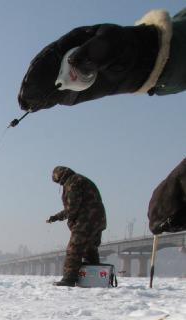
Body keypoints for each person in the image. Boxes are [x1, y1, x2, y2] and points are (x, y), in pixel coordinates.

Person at [18, 9, 186, 235]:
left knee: (77, 257)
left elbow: (74, 208)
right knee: (86, 257)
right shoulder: (77, 182)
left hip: (86, 227)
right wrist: (149, 53)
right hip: (91, 227)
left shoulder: (74, 185)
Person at [46, 166, 106, 287]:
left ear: (59, 176)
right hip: (98, 220)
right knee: (90, 249)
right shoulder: (81, 179)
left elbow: (72, 207)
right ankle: (95, 280)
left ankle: (68, 279)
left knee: (74, 249)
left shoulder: (72, 182)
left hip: (86, 220)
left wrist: (56, 217)